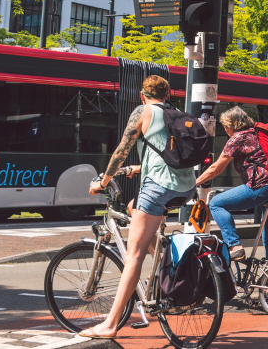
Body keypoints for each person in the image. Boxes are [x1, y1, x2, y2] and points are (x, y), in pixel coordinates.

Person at [80, 76, 195, 340]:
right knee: (134, 207)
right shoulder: (175, 114)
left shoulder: (142, 111)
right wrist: (138, 168)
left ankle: (109, 325)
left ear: (142, 95)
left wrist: (103, 181)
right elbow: (171, 158)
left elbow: (122, 149)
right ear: (168, 95)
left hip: (158, 189)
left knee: (133, 255)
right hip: (186, 187)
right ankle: (166, 268)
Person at [195, 106, 268, 262]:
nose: (225, 130)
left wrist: (195, 183)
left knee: (216, 204)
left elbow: (216, 168)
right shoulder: (260, 133)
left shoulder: (237, 137)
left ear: (231, 125)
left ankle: (234, 247)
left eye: (225, 126)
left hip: (263, 186)